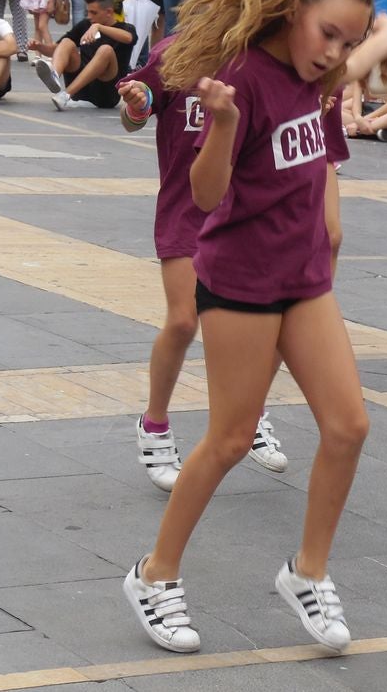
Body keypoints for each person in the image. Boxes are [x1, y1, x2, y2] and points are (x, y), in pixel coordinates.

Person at [121, 0, 387, 655]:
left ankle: (308, 570)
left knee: (348, 426)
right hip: (239, 280)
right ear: (293, 12)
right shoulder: (241, 77)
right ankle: (154, 575)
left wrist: (331, 232)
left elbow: (324, 154)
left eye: (348, 41)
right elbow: (206, 196)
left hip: (303, 278)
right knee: (231, 440)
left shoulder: (322, 77)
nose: (334, 50)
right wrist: (225, 125)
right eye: (327, 32)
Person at [114, 35, 293, 491]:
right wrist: (137, 104)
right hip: (186, 210)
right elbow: (137, 111)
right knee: (183, 320)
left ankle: (249, 413)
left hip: (246, 212)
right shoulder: (179, 49)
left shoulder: (269, 56)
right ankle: (154, 424)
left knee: (276, 320)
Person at [33, 0, 137, 110]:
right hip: (80, 92)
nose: (89, 16)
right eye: (88, 12)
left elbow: (129, 38)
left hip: (105, 95)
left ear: (109, 12)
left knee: (106, 50)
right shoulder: (85, 24)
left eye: (94, 13)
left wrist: (99, 27)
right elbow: (57, 49)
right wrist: (40, 47)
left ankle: (65, 95)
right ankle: (54, 75)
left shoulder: (125, 28)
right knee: (67, 42)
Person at [343, 47, 387, 139]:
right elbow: (357, 100)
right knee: (335, 109)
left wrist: (360, 122)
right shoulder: (363, 58)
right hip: (369, 111)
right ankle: (377, 130)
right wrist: (358, 119)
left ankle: (359, 130)